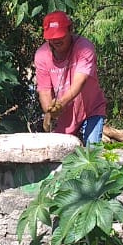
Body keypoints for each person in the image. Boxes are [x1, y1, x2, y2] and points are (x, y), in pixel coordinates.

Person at [34, 11, 108, 145]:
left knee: (92, 153)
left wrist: (61, 103)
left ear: (70, 30)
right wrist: (49, 111)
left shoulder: (85, 48)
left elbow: (79, 82)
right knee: (61, 158)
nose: (56, 40)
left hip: (91, 110)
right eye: (52, 37)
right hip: (65, 119)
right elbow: (44, 90)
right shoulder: (41, 55)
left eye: (60, 36)